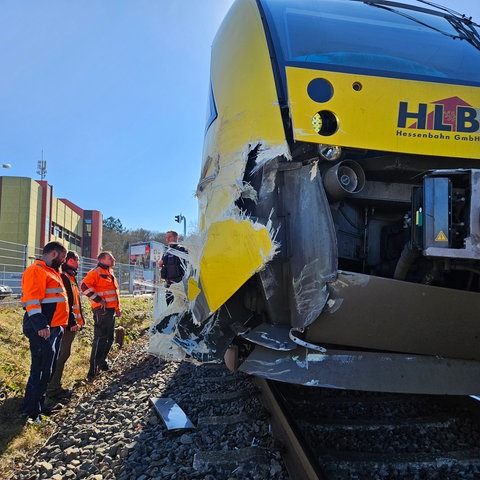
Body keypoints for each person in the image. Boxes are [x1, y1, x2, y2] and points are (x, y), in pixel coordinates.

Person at [21, 241, 68, 421]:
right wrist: (41, 325)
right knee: (40, 370)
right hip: (43, 330)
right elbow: (32, 300)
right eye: (63, 257)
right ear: (54, 254)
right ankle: (31, 412)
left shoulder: (51, 272)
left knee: (47, 370)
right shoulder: (37, 271)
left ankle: (39, 406)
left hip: (53, 328)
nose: (63, 261)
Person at [46, 251, 85, 402]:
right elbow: (66, 303)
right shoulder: (64, 277)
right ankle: (52, 389)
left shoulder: (70, 277)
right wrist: (72, 322)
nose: (79, 263)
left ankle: (53, 386)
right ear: (69, 260)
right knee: (61, 356)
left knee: (62, 355)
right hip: (66, 324)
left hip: (68, 323)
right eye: (77, 260)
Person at [81, 251, 121, 380]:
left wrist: (117, 308)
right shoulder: (95, 272)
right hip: (102, 311)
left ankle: (102, 364)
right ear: (102, 260)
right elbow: (84, 286)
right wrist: (98, 300)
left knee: (109, 339)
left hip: (110, 310)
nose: (113, 259)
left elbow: (114, 293)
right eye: (110, 258)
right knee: (100, 339)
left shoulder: (110, 272)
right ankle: (92, 371)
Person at [158, 230, 187, 304]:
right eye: (166, 238)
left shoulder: (182, 249)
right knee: (170, 305)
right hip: (169, 285)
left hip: (180, 284)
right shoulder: (166, 252)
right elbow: (162, 265)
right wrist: (161, 264)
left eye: (170, 237)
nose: (167, 240)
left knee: (182, 306)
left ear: (176, 237)